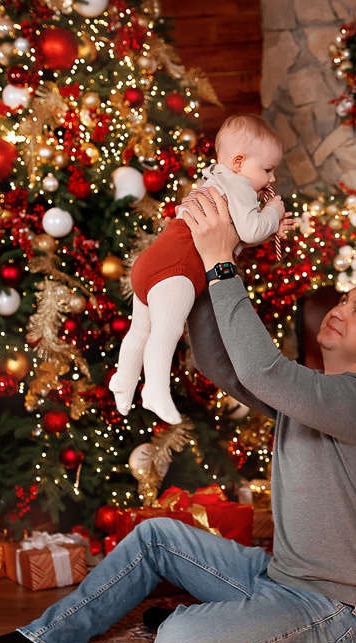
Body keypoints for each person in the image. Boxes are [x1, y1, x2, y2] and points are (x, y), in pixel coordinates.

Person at [0, 189, 356, 643]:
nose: (340, 309)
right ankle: (44, 642)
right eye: (344, 299)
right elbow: (222, 365)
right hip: (274, 577)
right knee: (155, 537)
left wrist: (221, 266)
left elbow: (261, 371)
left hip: (329, 609)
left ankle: (218, 625)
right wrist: (206, 264)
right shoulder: (309, 391)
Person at [110, 113, 292, 425]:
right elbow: (249, 231)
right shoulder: (240, 187)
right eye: (267, 169)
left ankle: (123, 381)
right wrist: (272, 213)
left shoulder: (216, 179)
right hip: (175, 270)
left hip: (152, 261)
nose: (271, 179)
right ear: (238, 162)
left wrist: (268, 228)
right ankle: (154, 390)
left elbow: (231, 236)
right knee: (165, 332)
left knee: (141, 330)